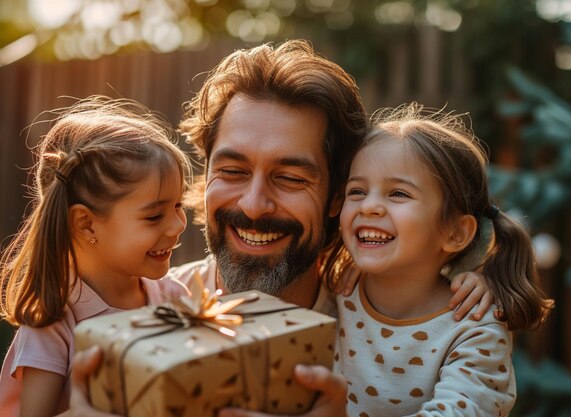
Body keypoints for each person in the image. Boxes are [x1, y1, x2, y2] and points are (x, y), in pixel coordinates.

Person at [66, 40, 493, 417]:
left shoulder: (379, 323)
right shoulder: (127, 314)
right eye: (232, 171)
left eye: (290, 178)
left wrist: (481, 272)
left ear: (337, 199)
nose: (253, 205)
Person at [322, 103, 553, 416]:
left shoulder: (475, 326)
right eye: (357, 191)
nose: (368, 207)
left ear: (456, 233)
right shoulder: (335, 284)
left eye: (398, 194)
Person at [0, 96, 194, 417]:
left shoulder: (174, 300)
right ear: (85, 223)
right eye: (154, 216)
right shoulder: (54, 322)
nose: (178, 225)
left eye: (178, 206)